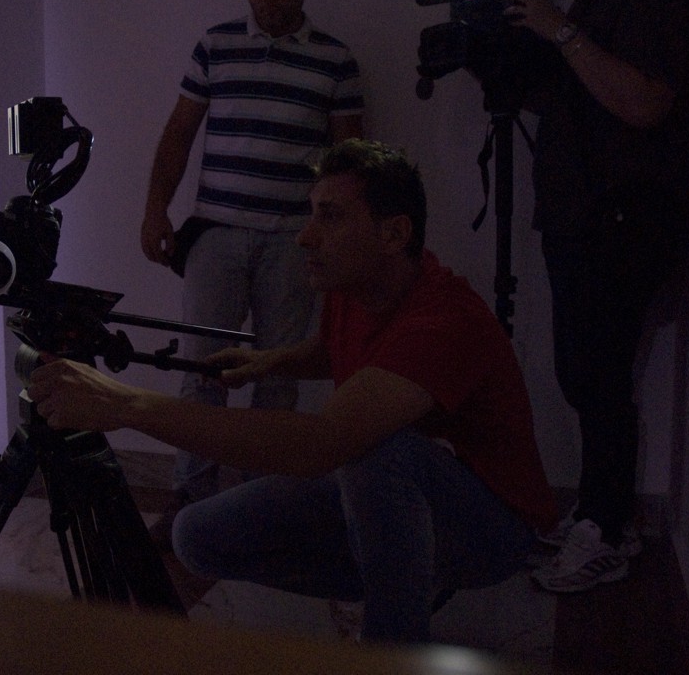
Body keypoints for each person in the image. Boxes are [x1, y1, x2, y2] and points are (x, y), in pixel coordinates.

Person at [29, 139, 557, 644]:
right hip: (398, 501)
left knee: (375, 451)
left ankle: (393, 647)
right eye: (312, 214)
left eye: (330, 216)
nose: (306, 236)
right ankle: (390, 577)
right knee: (196, 536)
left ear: (394, 234)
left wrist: (125, 404)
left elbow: (318, 444)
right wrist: (270, 361)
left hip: (496, 527)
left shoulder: (442, 321)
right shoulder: (356, 284)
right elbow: (335, 349)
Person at [501, 0, 689, 592]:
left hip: (620, 222)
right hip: (580, 220)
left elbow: (644, 102)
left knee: (598, 377)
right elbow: (576, 99)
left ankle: (607, 529)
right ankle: (601, 511)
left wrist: (559, 30)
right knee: (585, 376)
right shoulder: (592, 4)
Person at [139, 0, 364, 527]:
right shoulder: (215, 46)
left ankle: (263, 506)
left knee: (279, 374)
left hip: (293, 240)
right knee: (201, 368)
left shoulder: (336, 60)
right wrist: (155, 207)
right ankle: (192, 497)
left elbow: (348, 162)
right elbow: (179, 133)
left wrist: (342, 242)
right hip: (214, 233)